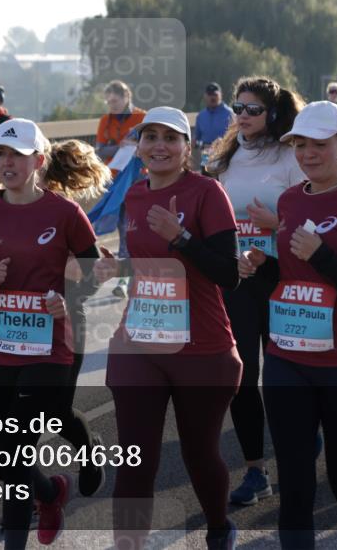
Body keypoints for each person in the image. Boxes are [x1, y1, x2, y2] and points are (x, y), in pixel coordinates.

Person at [239, 101, 337, 550]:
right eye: (300, 145)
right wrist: (262, 264)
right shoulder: (290, 200)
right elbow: (295, 276)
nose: (308, 154)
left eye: (318, 145)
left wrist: (322, 254)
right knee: (295, 486)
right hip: (289, 358)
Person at [0, 118, 101, 548]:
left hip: (51, 343)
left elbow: (93, 273)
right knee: (1, 459)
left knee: (17, 448)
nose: (8, 162)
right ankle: (51, 493)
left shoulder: (65, 213)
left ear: (39, 160)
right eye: (0, 153)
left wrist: (66, 297)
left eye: (17, 154)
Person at [95, 106, 242, 550]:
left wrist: (182, 237)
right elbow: (147, 266)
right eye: (150, 137)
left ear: (186, 147)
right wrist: (118, 270)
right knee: (135, 460)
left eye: (170, 138)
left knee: (200, 455)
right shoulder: (135, 195)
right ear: (138, 147)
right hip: (138, 341)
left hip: (201, 346)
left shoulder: (207, 193)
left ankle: (219, 527)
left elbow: (228, 274)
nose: (160, 145)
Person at [206, 77, 305, 506]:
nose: (242, 116)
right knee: (242, 379)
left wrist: (276, 228)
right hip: (241, 281)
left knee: (286, 378)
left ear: (274, 113)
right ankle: (255, 472)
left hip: (285, 278)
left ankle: (302, 447)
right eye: (238, 107)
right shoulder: (225, 159)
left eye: (252, 109)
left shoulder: (291, 155)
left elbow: (312, 219)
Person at [40, 139, 112, 497]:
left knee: (54, 413)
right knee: (16, 421)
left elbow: (88, 280)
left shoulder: (68, 215)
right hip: (17, 326)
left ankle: (88, 452)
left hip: (67, 325)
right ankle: (25, 502)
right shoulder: (1, 208)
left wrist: (87, 272)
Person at [95, 80, 146, 297]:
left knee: (136, 229)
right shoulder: (106, 120)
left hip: (138, 181)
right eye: (108, 101)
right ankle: (126, 278)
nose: (111, 105)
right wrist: (120, 147)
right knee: (123, 228)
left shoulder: (142, 118)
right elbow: (99, 150)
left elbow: (150, 144)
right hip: (114, 183)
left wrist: (136, 146)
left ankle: (134, 276)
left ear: (127, 97)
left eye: (115, 101)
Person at [195, 82, 235, 160]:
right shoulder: (201, 116)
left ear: (221, 95)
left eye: (215, 95)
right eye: (210, 95)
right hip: (206, 157)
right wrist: (202, 145)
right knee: (204, 172)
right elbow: (196, 140)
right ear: (205, 96)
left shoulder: (231, 114)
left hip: (225, 156)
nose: (212, 97)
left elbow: (236, 138)